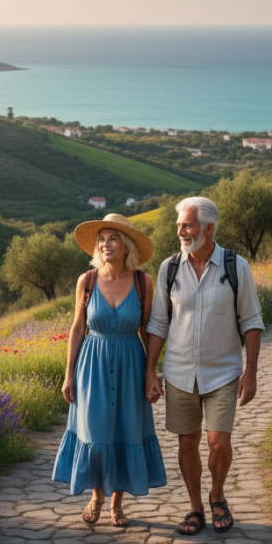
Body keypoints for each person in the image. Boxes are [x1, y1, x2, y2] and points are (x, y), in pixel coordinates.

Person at [144, 196, 264, 535]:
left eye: (187, 225)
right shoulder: (169, 268)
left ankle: (218, 495)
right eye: (179, 225)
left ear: (208, 229)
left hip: (223, 372)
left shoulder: (235, 266)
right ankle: (195, 507)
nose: (180, 231)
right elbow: (158, 325)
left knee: (218, 443)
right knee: (186, 442)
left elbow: (252, 321)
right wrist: (150, 370)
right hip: (179, 372)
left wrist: (251, 371)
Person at [52, 213, 167, 527]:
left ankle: (117, 504)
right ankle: (96, 496)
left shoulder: (143, 282)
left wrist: (151, 372)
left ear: (126, 244)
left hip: (131, 361)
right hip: (93, 365)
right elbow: (77, 329)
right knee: (97, 429)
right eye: (102, 239)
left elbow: (148, 330)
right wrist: (68, 374)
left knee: (127, 429)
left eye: (113, 238)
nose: (106, 244)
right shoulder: (86, 281)